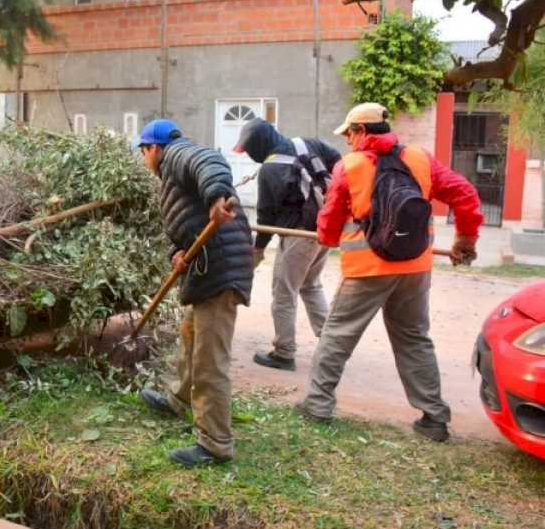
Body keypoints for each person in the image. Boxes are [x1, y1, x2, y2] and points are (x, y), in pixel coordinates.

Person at [296, 103, 483, 442]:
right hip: (415, 267)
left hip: (367, 269)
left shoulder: (348, 167)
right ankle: (434, 418)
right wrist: (465, 240)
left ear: (361, 131)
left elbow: (328, 224)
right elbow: (464, 194)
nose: (348, 141)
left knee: (337, 335)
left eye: (349, 134)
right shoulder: (420, 158)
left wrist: (328, 237)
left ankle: (317, 404)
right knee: (414, 338)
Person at [135, 118, 254, 467]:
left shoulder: (178, 154)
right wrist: (178, 251)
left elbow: (210, 162)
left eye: (143, 152)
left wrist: (218, 196)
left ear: (153, 148)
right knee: (190, 333)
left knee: (209, 359)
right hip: (208, 265)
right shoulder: (171, 176)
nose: (145, 160)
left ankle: (215, 443)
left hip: (221, 269)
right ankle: (178, 399)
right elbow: (187, 223)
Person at [234, 118, 342, 371]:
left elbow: (265, 216)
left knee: (284, 292)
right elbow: (337, 159)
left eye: (249, 150)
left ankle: (284, 352)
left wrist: (258, 249)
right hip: (324, 230)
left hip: (298, 235)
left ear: (260, 144)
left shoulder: (270, 170)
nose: (249, 155)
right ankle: (333, 347)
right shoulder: (307, 143)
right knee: (310, 285)